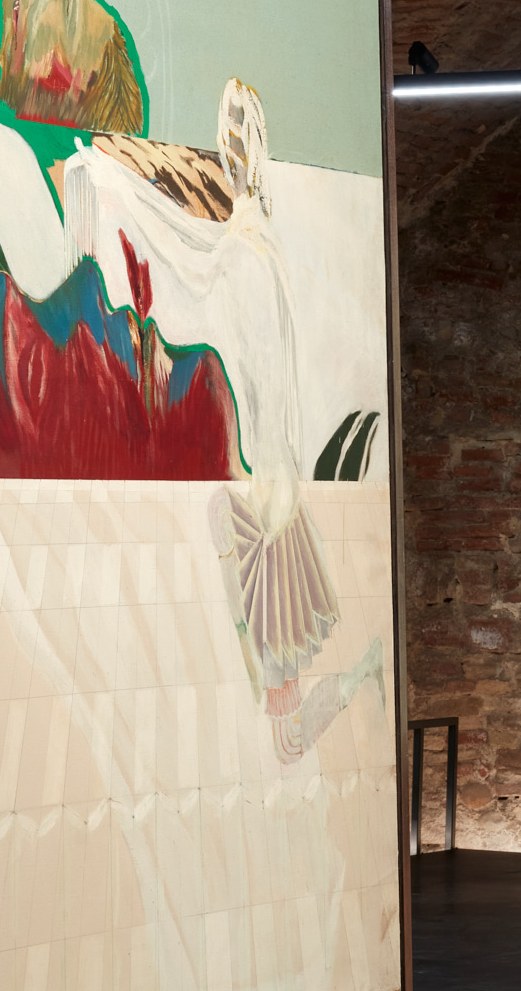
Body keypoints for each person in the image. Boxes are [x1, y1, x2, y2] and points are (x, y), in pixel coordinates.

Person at [60, 77, 385, 763]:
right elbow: (195, 274)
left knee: (281, 712)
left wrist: (113, 186)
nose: (232, 148)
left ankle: (351, 679)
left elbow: (193, 272)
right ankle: (346, 680)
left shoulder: (246, 245)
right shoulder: (252, 241)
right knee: (279, 702)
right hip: (270, 474)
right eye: (230, 134)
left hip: (269, 479)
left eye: (239, 135)